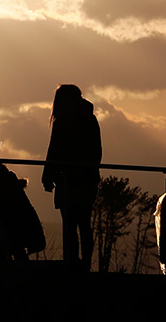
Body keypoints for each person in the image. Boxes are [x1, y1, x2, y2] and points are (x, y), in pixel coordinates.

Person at [41, 84, 101, 271]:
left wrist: (48, 175)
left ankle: (72, 263)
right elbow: (97, 150)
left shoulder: (62, 121)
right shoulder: (90, 119)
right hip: (86, 178)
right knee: (84, 223)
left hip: (68, 178)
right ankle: (84, 264)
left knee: (70, 225)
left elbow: (54, 150)